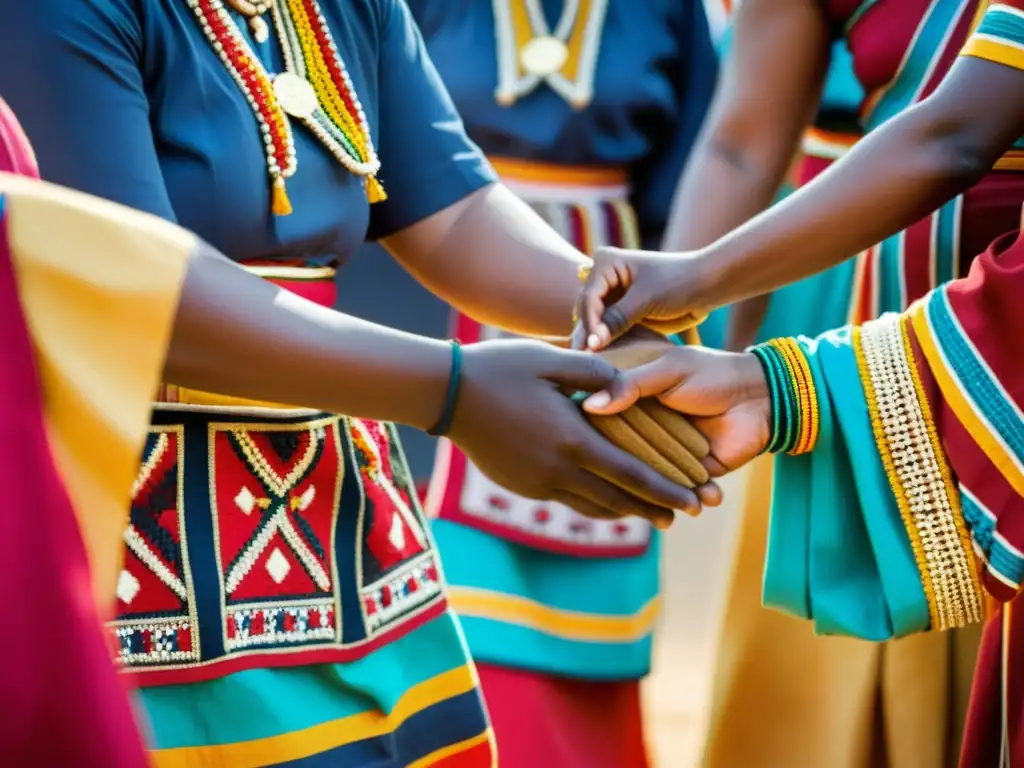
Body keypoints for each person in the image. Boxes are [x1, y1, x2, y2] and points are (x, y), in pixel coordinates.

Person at [0, 1, 708, 763]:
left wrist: (608, 315)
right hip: (143, 541)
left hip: (345, 524)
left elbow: (455, 210)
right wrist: (451, 392)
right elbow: (140, 286)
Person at [576, 4, 1024, 761]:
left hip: (1002, 342)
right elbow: (741, 145)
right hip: (855, 335)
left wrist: (697, 289)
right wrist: (663, 348)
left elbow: (957, 136)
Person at [406, 0, 717, 762]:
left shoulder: (669, 10)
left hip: (611, 306)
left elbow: (699, 167)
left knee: (592, 618)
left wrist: (661, 340)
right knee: (443, 590)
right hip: (438, 294)